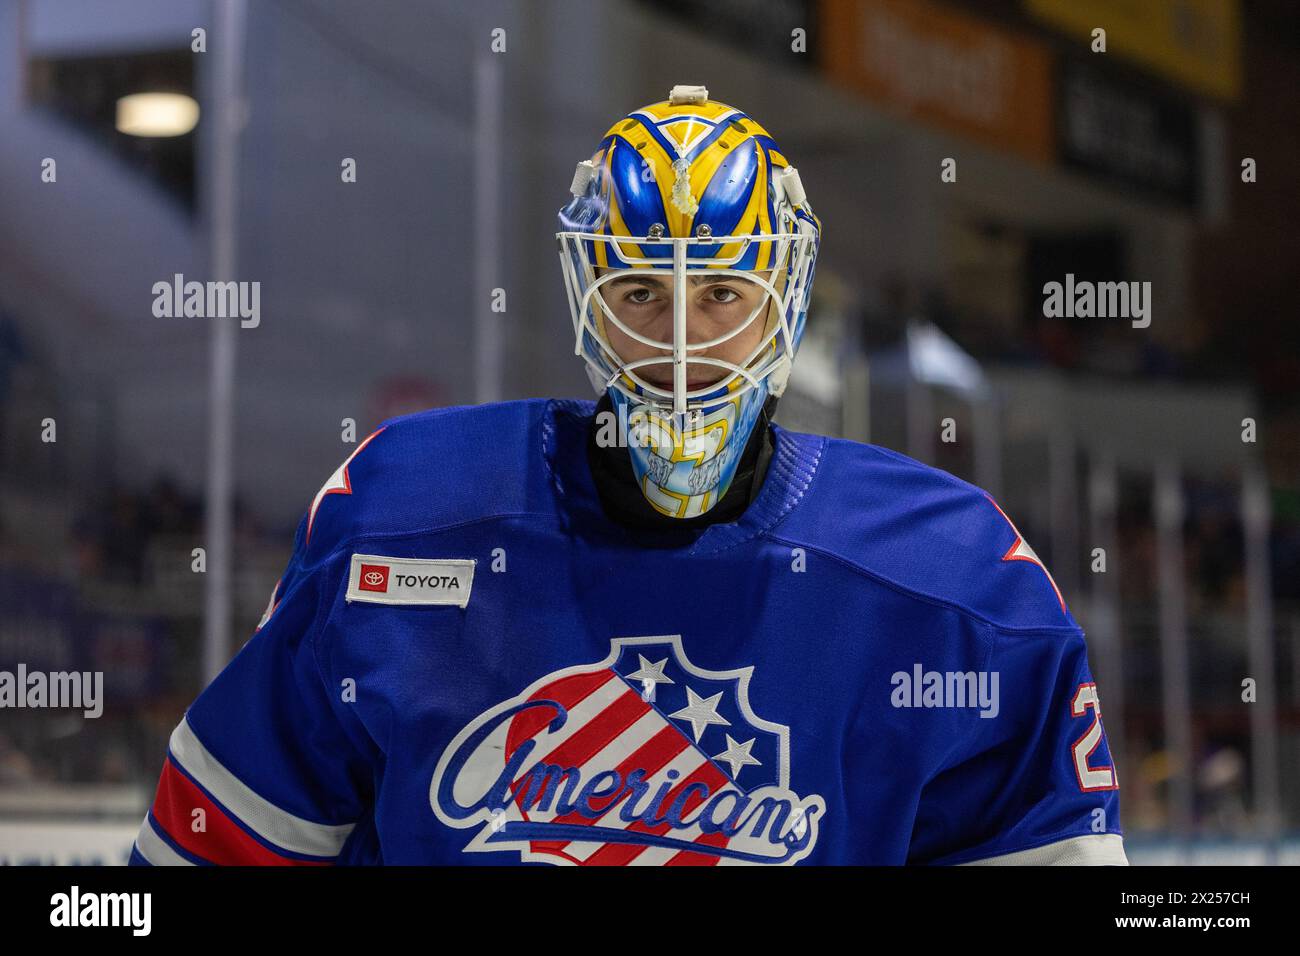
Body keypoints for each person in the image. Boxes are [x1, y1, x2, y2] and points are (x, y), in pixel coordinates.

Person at [131, 86, 1124, 866]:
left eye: (723, 292)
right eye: (640, 290)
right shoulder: (405, 515)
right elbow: (218, 842)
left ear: (785, 304)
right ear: (586, 302)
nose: (684, 343)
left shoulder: (958, 587)